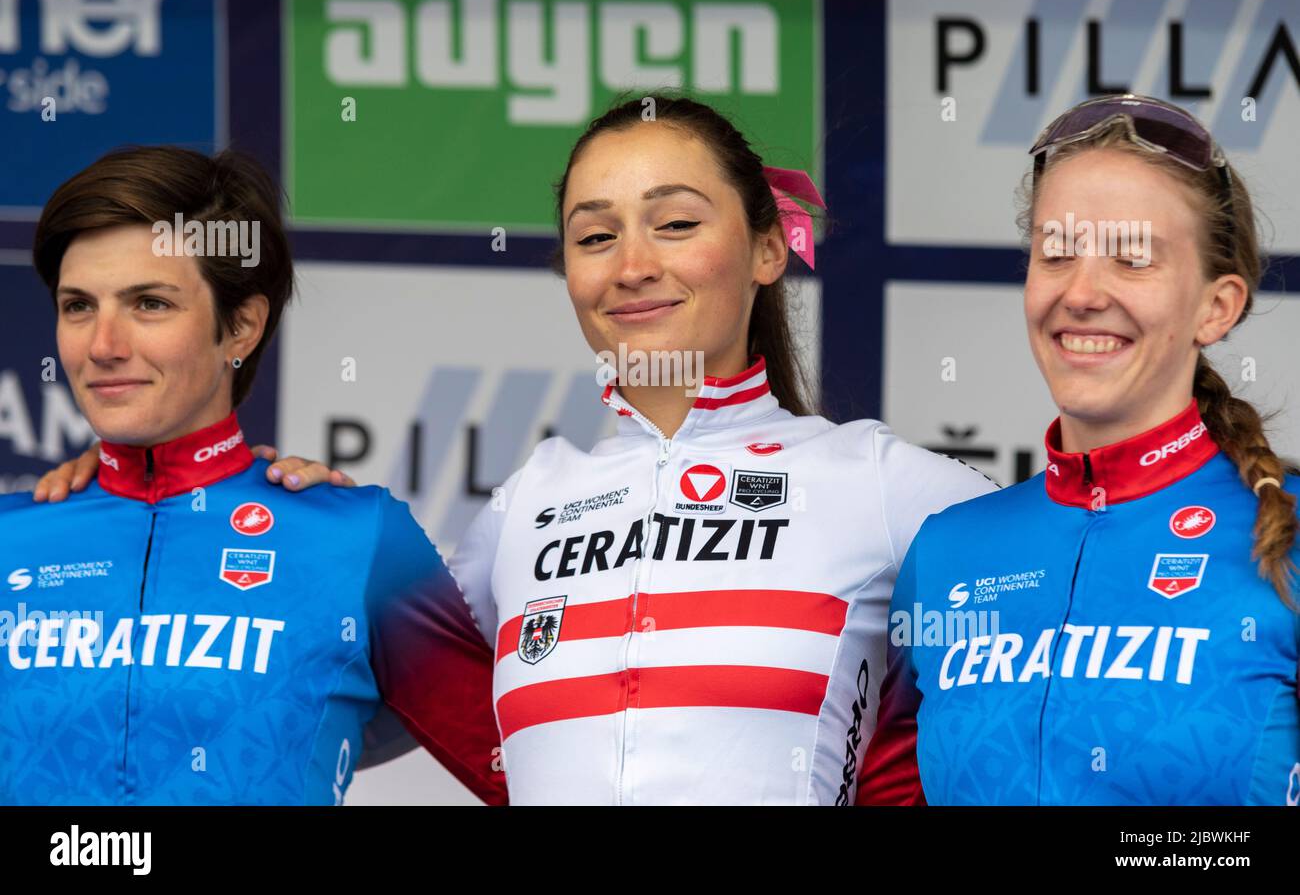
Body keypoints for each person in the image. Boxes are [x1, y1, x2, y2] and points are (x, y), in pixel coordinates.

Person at [39, 96, 997, 805]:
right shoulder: (527, 506)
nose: (632, 265)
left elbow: (1066, 612)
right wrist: (212, 508)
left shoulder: (881, 483)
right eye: (595, 235)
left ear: (765, 248)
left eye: (675, 223)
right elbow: (313, 691)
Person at [3, 146, 505, 805]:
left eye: (149, 303)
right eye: (77, 306)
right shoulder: (15, 537)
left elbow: (538, 772)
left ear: (241, 325)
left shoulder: (356, 541)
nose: (103, 345)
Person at [858, 94, 1300, 805]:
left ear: (1215, 307)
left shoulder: (1287, 535)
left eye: (1132, 259)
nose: (1083, 292)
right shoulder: (947, 553)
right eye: (1056, 252)